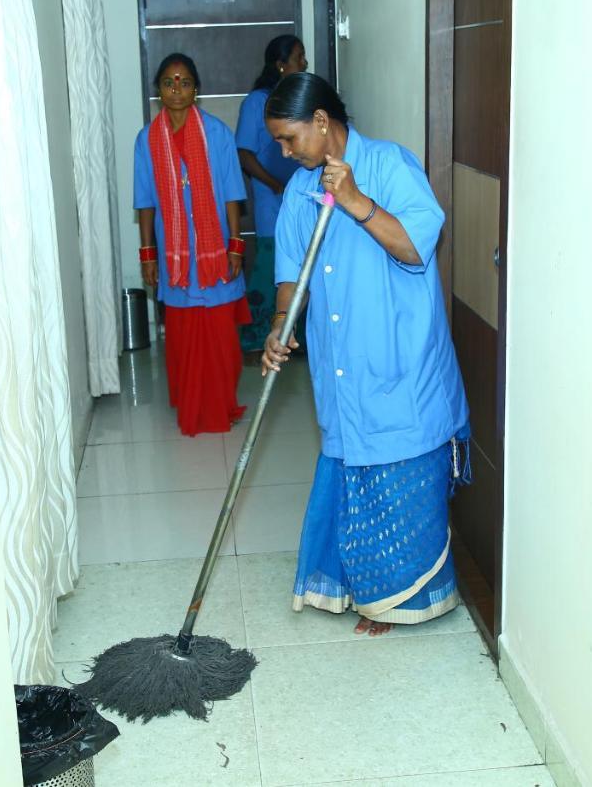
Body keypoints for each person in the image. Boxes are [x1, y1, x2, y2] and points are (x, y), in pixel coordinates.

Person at [261, 73, 471, 636]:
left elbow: (414, 245)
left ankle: (402, 597)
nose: (283, 152)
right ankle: (364, 586)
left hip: (400, 357)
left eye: (289, 139)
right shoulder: (300, 190)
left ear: (323, 123)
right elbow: (290, 274)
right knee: (353, 460)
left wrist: (355, 202)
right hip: (341, 359)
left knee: (400, 465)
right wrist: (281, 324)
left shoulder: (391, 165)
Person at [135, 53, 250, 436]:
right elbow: (145, 202)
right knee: (183, 337)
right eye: (169, 82)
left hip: (215, 253)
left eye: (184, 82)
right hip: (175, 258)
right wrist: (148, 254)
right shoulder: (147, 140)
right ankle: (190, 403)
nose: (177, 89)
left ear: (196, 89)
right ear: (159, 91)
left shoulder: (217, 133)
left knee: (221, 337)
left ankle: (220, 405)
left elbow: (233, 193)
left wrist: (236, 245)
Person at [234, 35, 307, 353]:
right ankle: (253, 340)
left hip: (302, 201)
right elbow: (244, 154)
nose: (304, 64)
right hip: (272, 202)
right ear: (280, 65)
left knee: (304, 269)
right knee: (271, 270)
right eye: (298, 58)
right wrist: (275, 184)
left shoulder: (298, 99)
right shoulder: (256, 102)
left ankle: (295, 338)